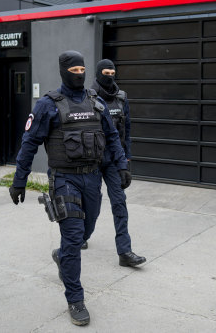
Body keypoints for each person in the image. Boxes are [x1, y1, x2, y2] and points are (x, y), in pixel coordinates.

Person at [9, 51, 131, 326]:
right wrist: (19, 180)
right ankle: (75, 298)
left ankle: (62, 256)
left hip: (92, 178)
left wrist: (122, 165)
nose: (79, 73)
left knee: (85, 231)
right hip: (64, 178)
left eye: (82, 68)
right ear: (63, 71)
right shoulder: (47, 105)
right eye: (73, 69)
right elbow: (29, 143)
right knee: (74, 234)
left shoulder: (95, 101)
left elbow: (112, 136)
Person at [91, 59, 146, 267]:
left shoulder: (121, 98)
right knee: (92, 203)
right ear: (98, 74)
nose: (109, 76)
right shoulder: (89, 97)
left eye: (112, 72)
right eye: (105, 72)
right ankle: (82, 236)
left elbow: (127, 131)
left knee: (119, 203)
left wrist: (127, 160)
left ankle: (125, 252)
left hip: (115, 160)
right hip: (94, 160)